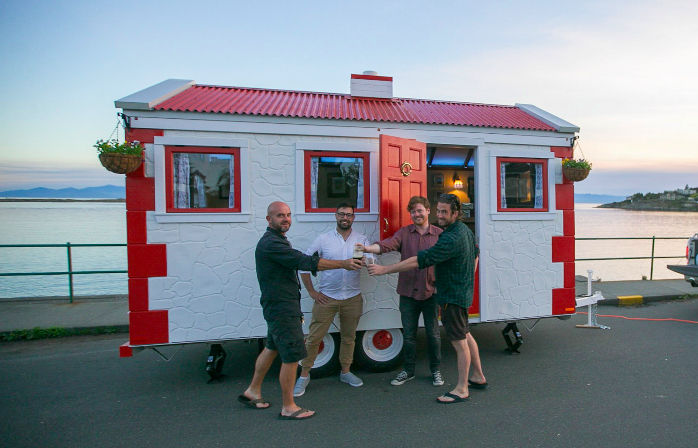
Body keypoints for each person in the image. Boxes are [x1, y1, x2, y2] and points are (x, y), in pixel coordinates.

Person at [239, 201, 362, 420]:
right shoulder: (272, 243)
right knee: (292, 355)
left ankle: (253, 390)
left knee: (271, 348)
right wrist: (342, 263)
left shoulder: (277, 240)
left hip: (276, 306)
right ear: (269, 219)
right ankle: (289, 406)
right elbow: (303, 261)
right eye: (279, 216)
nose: (285, 219)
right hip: (282, 308)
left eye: (287, 215)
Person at [368, 194, 487, 403]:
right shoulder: (463, 230)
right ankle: (477, 376)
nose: (440, 215)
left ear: (455, 213)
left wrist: (385, 269)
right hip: (455, 293)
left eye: (444, 212)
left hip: (451, 296)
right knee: (466, 334)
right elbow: (476, 252)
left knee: (459, 342)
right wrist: (467, 278)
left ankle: (461, 389)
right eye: (439, 210)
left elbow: (419, 260)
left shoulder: (448, 237)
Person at [359, 196, 444, 387]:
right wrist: (367, 248)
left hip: (431, 292)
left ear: (428, 211)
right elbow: (386, 245)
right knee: (409, 335)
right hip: (407, 293)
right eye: (413, 212)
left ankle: (436, 370)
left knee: (433, 334)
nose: (416, 214)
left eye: (420, 210)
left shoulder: (440, 234)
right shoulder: (405, 233)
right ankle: (409, 370)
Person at [293, 202, 372, 397]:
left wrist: (367, 260)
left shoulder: (361, 240)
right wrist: (312, 292)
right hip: (326, 298)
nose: (345, 218)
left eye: (349, 215)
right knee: (313, 339)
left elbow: (373, 261)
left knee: (349, 337)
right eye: (341, 214)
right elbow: (303, 264)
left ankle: (345, 372)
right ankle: (303, 376)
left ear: (354, 218)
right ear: (335, 216)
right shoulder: (323, 239)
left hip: (352, 297)